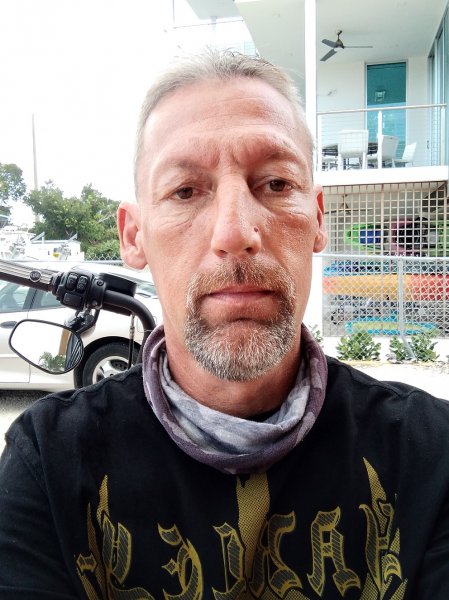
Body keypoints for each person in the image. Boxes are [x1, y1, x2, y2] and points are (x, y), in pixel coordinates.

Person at [0, 49, 449, 600]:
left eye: (276, 183)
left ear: (317, 219)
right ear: (135, 236)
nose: (234, 233)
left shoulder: (430, 454)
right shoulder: (49, 463)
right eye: (186, 191)